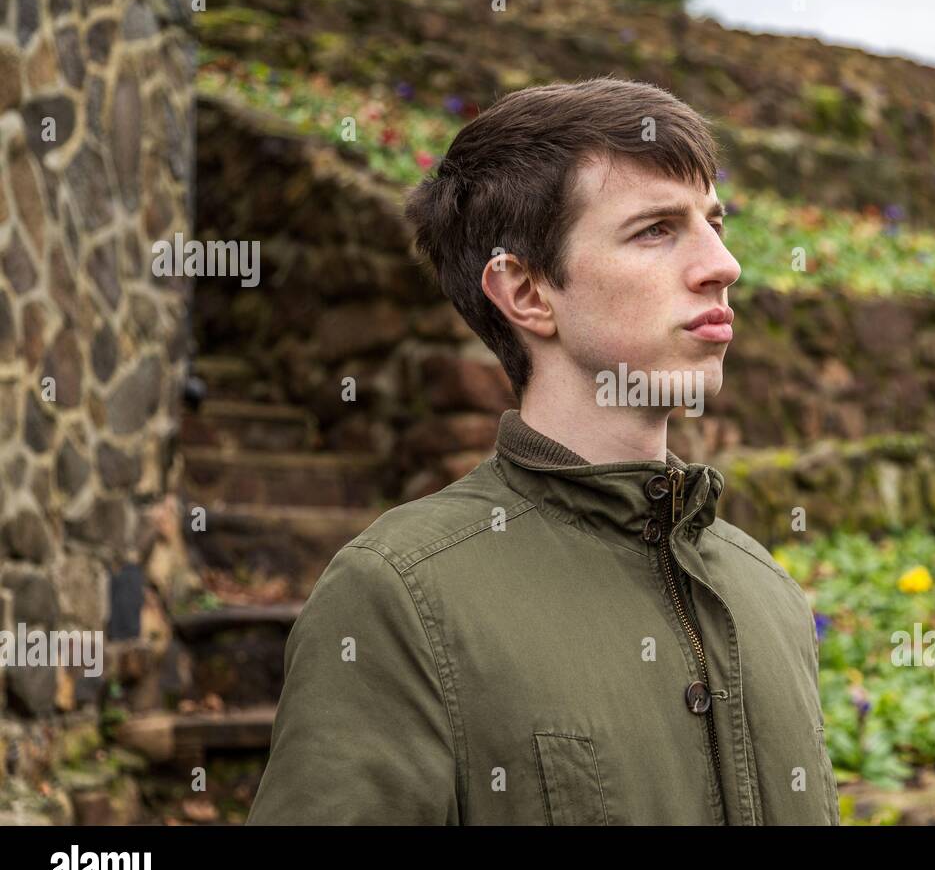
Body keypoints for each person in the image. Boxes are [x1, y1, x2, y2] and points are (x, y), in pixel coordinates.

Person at [246, 77, 839, 825]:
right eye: (657, 229)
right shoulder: (397, 598)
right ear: (526, 293)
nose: (723, 264)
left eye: (714, 223)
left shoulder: (768, 593)